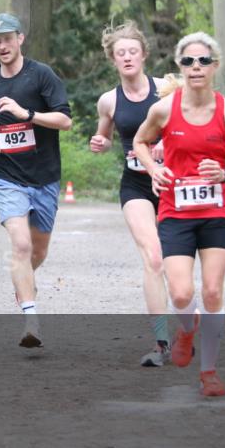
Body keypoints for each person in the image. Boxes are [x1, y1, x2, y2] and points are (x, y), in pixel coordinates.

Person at [132, 32, 225, 396]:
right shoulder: (163, 110)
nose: (195, 67)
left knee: (213, 291)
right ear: (179, 66)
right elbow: (140, 142)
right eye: (188, 61)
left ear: (214, 66)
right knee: (183, 294)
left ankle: (209, 372)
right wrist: (154, 171)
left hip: (217, 211)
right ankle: (187, 329)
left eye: (203, 61)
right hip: (175, 211)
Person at [0, 13, 72, 348]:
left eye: (7, 38)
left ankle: (26, 280)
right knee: (20, 245)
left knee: (38, 250)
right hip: (6, 176)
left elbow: (65, 120)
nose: (2, 45)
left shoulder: (41, 75)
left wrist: (26, 115)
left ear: (20, 39)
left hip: (44, 176)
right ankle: (31, 320)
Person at [88, 22, 173, 367]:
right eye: (120, 53)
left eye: (132, 51)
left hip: (172, 183)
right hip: (136, 184)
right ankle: (162, 343)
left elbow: (189, 121)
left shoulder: (167, 89)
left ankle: (189, 322)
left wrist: (169, 142)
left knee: (177, 263)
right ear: (113, 59)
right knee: (153, 258)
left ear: (143, 55)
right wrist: (101, 143)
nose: (127, 57)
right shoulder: (109, 100)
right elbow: (105, 136)